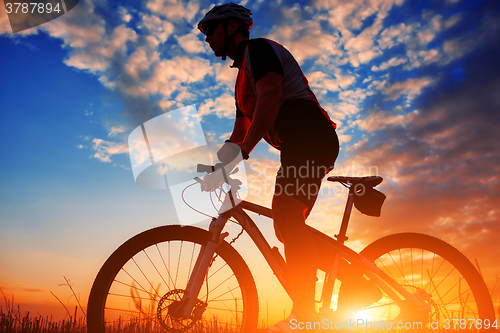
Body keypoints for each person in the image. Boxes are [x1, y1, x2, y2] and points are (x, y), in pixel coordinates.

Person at [198, 3, 340, 332]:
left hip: (311, 137)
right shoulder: (241, 80)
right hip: (298, 144)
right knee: (285, 225)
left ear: (232, 27)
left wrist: (245, 149)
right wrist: (215, 165)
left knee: (288, 215)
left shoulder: (258, 50)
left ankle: (304, 311)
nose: (207, 39)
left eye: (210, 31)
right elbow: (239, 133)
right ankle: (354, 279)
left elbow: (272, 96)